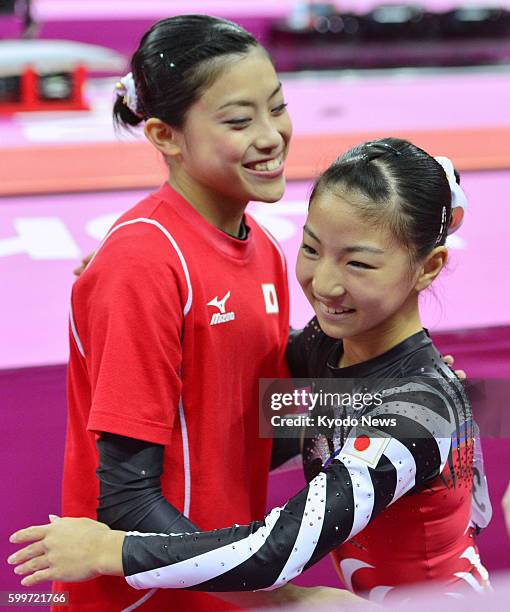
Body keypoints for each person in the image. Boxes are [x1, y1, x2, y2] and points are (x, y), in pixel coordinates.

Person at [8, 138, 489, 602]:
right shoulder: (332, 348)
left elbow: (275, 553)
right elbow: (241, 355)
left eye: (358, 264)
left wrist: (111, 550)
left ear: (429, 268)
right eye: (312, 249)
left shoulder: (416, 412)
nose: (324, 283)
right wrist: (137, 269)